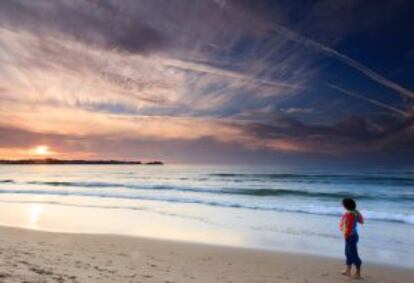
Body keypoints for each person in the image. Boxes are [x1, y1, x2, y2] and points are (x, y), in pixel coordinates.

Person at [340, 198, 364, 279]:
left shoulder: (350, 214)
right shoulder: (354, 212)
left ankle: (358, 273)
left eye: (343, 204)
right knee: (347, 252)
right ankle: (348, 270)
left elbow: (349, 226)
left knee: (353, 254)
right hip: (352, 235)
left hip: (350, 236)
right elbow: (361, 220)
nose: (342, 205)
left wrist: (346, 235)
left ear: (346, 205)